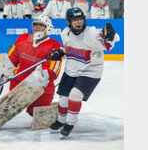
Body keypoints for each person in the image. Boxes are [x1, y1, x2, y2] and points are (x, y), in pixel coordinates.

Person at [49, 7, 120, 138]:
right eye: (75, 20)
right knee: (63, 99)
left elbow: (109, 41)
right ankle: (61, 121)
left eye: (80, 19)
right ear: (68, 22)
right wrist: (60, 52)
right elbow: (68, 47)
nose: (78, 22)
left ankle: (70, 123)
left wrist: (110, 36)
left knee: (74, 96)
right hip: (71, 69)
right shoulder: (65, 33)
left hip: (90, 71)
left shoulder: (92, 34)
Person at [0, 15, 64, 116]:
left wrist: (35, 80)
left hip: (41, 88)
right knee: (3, 113)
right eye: (35, 24)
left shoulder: (54, 45)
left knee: (36, 114)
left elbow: (52, 72)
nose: (37, 27)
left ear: (48, 28)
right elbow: (12, 59)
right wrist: (2, 73)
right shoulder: (22, 38)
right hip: (18, 84)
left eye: (41, 25)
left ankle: (60, 111)